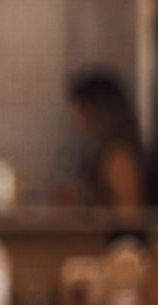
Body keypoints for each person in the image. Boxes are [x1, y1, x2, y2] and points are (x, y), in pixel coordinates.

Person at [55, 69, 147, 210]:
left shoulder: (119, 155)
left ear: (94, 108)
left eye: (79, 108)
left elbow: (129, 215)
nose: (75, 117)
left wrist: (84, 205)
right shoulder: (103, 151)